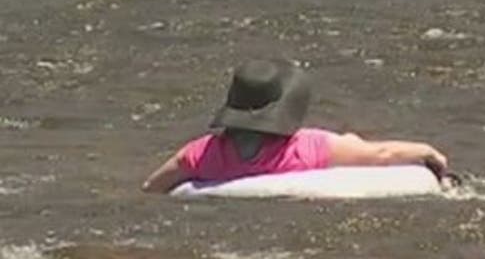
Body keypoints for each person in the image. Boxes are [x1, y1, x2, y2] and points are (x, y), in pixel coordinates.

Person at [142, 59, 450, 193]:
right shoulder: (306, 148)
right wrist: (428, 152)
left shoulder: (201, 152)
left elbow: (153, 187)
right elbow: (380, 154)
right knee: (352, 140)